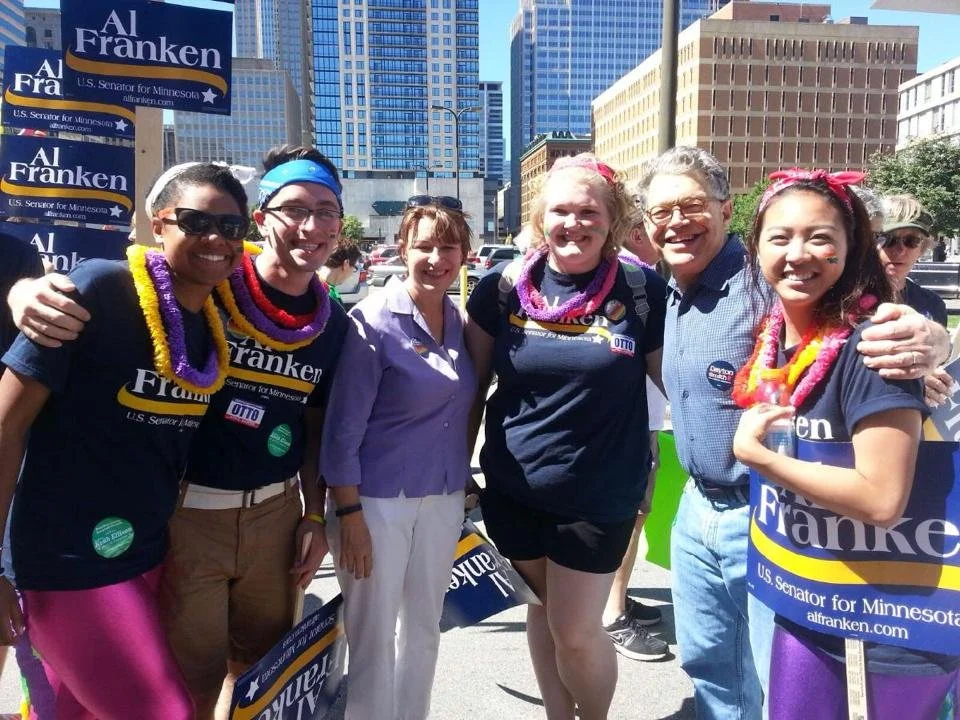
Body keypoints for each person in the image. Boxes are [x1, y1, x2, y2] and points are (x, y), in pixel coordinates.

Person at [6, 146, 351, 719]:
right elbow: (121, 280)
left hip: (262, 515)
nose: (311, 226)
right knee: (180, 685)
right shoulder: (207, 286)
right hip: (174, 520)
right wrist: (24, 292)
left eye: (326, 211)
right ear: (262, 221)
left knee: (261, 672)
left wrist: (315, 516)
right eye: (294, 208)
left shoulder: (328, 321)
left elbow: (317, 424)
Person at [635, 146, 951, 719]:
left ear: (728, 211)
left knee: (778, 681)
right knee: (708, 665)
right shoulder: (670, 288)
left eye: (691, 205)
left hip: (766, 512)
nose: (676, 221)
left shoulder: (764, 275)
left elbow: (866, 307)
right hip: (695, 508)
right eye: (661, 212)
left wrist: (932, 340)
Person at [0, 163, 249, 719]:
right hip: (64, 561)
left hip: (146, 553)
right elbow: (5, 426)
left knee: (74, 712)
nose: (216, 239)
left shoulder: (211, 322)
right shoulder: (98, 289)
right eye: (196, 221)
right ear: (156, 225)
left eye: (232, 228)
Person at [732, 168, 959, 720]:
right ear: (756, 248)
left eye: (820, 237)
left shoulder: (877, 345)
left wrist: (759, 458)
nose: (798, 253)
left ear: (850, 248)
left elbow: (881, 499)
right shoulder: (775, 337)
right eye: (780, 237)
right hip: (806, 587)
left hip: (902, 608)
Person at [466, 154, 667, 720]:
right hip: (513, 487)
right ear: (539, 218)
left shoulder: (639, 290)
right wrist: (458, 471)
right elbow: (472, 391)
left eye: (589, 211)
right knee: (542, 609)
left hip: (599, 493)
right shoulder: (502, 289)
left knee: (576, 631)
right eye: (561, 210)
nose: (574, 223)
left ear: (612, 220)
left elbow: (679, 381)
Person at [321, 195, 476, 720]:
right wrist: (349, 515)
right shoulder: (374, 320)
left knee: (426, 627)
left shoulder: (456, 318)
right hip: (375, 501)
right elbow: (342, 428)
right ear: (402, 249)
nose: (437, 258)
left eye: (448, 246)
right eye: (424, 246)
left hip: (443, 495)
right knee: (372, 632)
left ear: (466, 253)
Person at [601, 211, 670, 662]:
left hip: (644, 416)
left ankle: (615, 598)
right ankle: (611, 612)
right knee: (630, 514)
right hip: (632, 421)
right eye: (648, 227)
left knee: (635, 514)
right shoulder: (632, 276)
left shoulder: (646, 277)